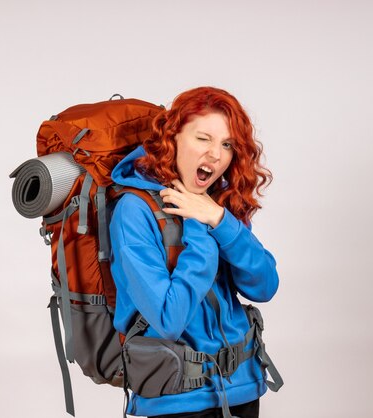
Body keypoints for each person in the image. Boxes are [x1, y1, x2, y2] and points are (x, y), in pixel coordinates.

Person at [109, 86, 279, 418]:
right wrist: (199, 226)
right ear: (173, 138)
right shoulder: (134, 211)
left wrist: (218, 218)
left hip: (243, 390)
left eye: (227, 144)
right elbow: (169, 319)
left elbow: (265, 285)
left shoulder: (217, 204)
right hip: (177, 401)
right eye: (203, 138)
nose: (216, 155)